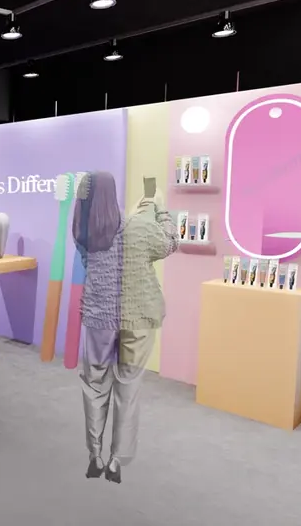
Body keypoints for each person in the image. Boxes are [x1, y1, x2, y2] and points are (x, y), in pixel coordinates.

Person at [73, 171, 177, 483]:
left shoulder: (83, 232)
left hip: (100, 317)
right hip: (137, 317)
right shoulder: (140, 226)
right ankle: (117, 461)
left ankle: (95, 455)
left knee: (94, 384)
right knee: (128, 387)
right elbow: (170, 242)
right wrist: (158, 207)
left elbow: (92, 262)